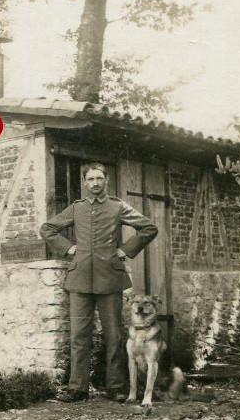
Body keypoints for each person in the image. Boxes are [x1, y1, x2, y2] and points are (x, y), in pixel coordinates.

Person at [40, 164, 158, 402]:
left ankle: (115, 387)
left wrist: (125, 250)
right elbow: (48, 229)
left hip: (110, 278)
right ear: (84, 182)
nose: (95, 183)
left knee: (113, 336)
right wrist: (69, 248)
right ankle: (77, 388)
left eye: (99, 178)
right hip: (79, 278)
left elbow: (148, 227)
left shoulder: (117, 206)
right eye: (90, 179)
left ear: (106, 180)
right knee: (78, 336)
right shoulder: (76, 208)